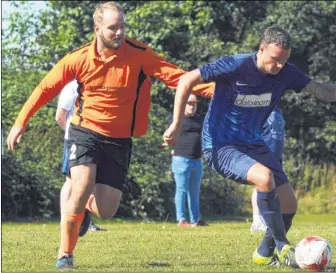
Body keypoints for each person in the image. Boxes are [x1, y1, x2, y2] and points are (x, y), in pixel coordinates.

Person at [7, 1, 213, 269]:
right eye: (113, 27)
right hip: (84, 131)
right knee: (81, 186)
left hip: (118, 140)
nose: (119, 32)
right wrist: (20, 122)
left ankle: (82, 214)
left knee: (106, 210)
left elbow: (177, 77)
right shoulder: (79, 58)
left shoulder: (139, 54)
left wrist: (219, 91)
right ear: (97, 28)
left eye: (122, 27)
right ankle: (65, 254)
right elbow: (46, 87)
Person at [163, 25, 336, 268]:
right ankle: (282, 246)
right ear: (261, 48)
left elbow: (322, 90)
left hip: (254, 144)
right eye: (274, 60)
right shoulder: (236, 65)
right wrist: (176, 124)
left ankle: (264, 253)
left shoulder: (286, 72)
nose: (278, 67)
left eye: (283, 61)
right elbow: (186, 79)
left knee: (289, 204)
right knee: (265, 178)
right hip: (220, 145)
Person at [55, 80, 106, 233]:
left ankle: (83, 221)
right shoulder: (72, 86)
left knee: (89, 181)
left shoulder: (97, 84)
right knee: (71, 181)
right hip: (75, 140)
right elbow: (60, 116)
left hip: (95, 139)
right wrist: (72, 135)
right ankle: (66, 220)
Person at [170, 94, 207, 228]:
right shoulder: (177, 120)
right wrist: (171, 148)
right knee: (181, 190)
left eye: (194, 103)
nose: (192, 106)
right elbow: (168, 136)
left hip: (196, 160)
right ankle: (181, 219)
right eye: (189, 103)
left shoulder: (200, 120)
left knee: (194, 191)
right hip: (181, 159)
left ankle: (196, 220)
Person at [250, 106, 285, 232]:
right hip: (263, 155)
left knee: (275, 189)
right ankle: (257, 220)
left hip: (276, 157)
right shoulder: (259, 109)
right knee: (260, 187)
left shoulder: (277, 110)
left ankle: (269, 219)